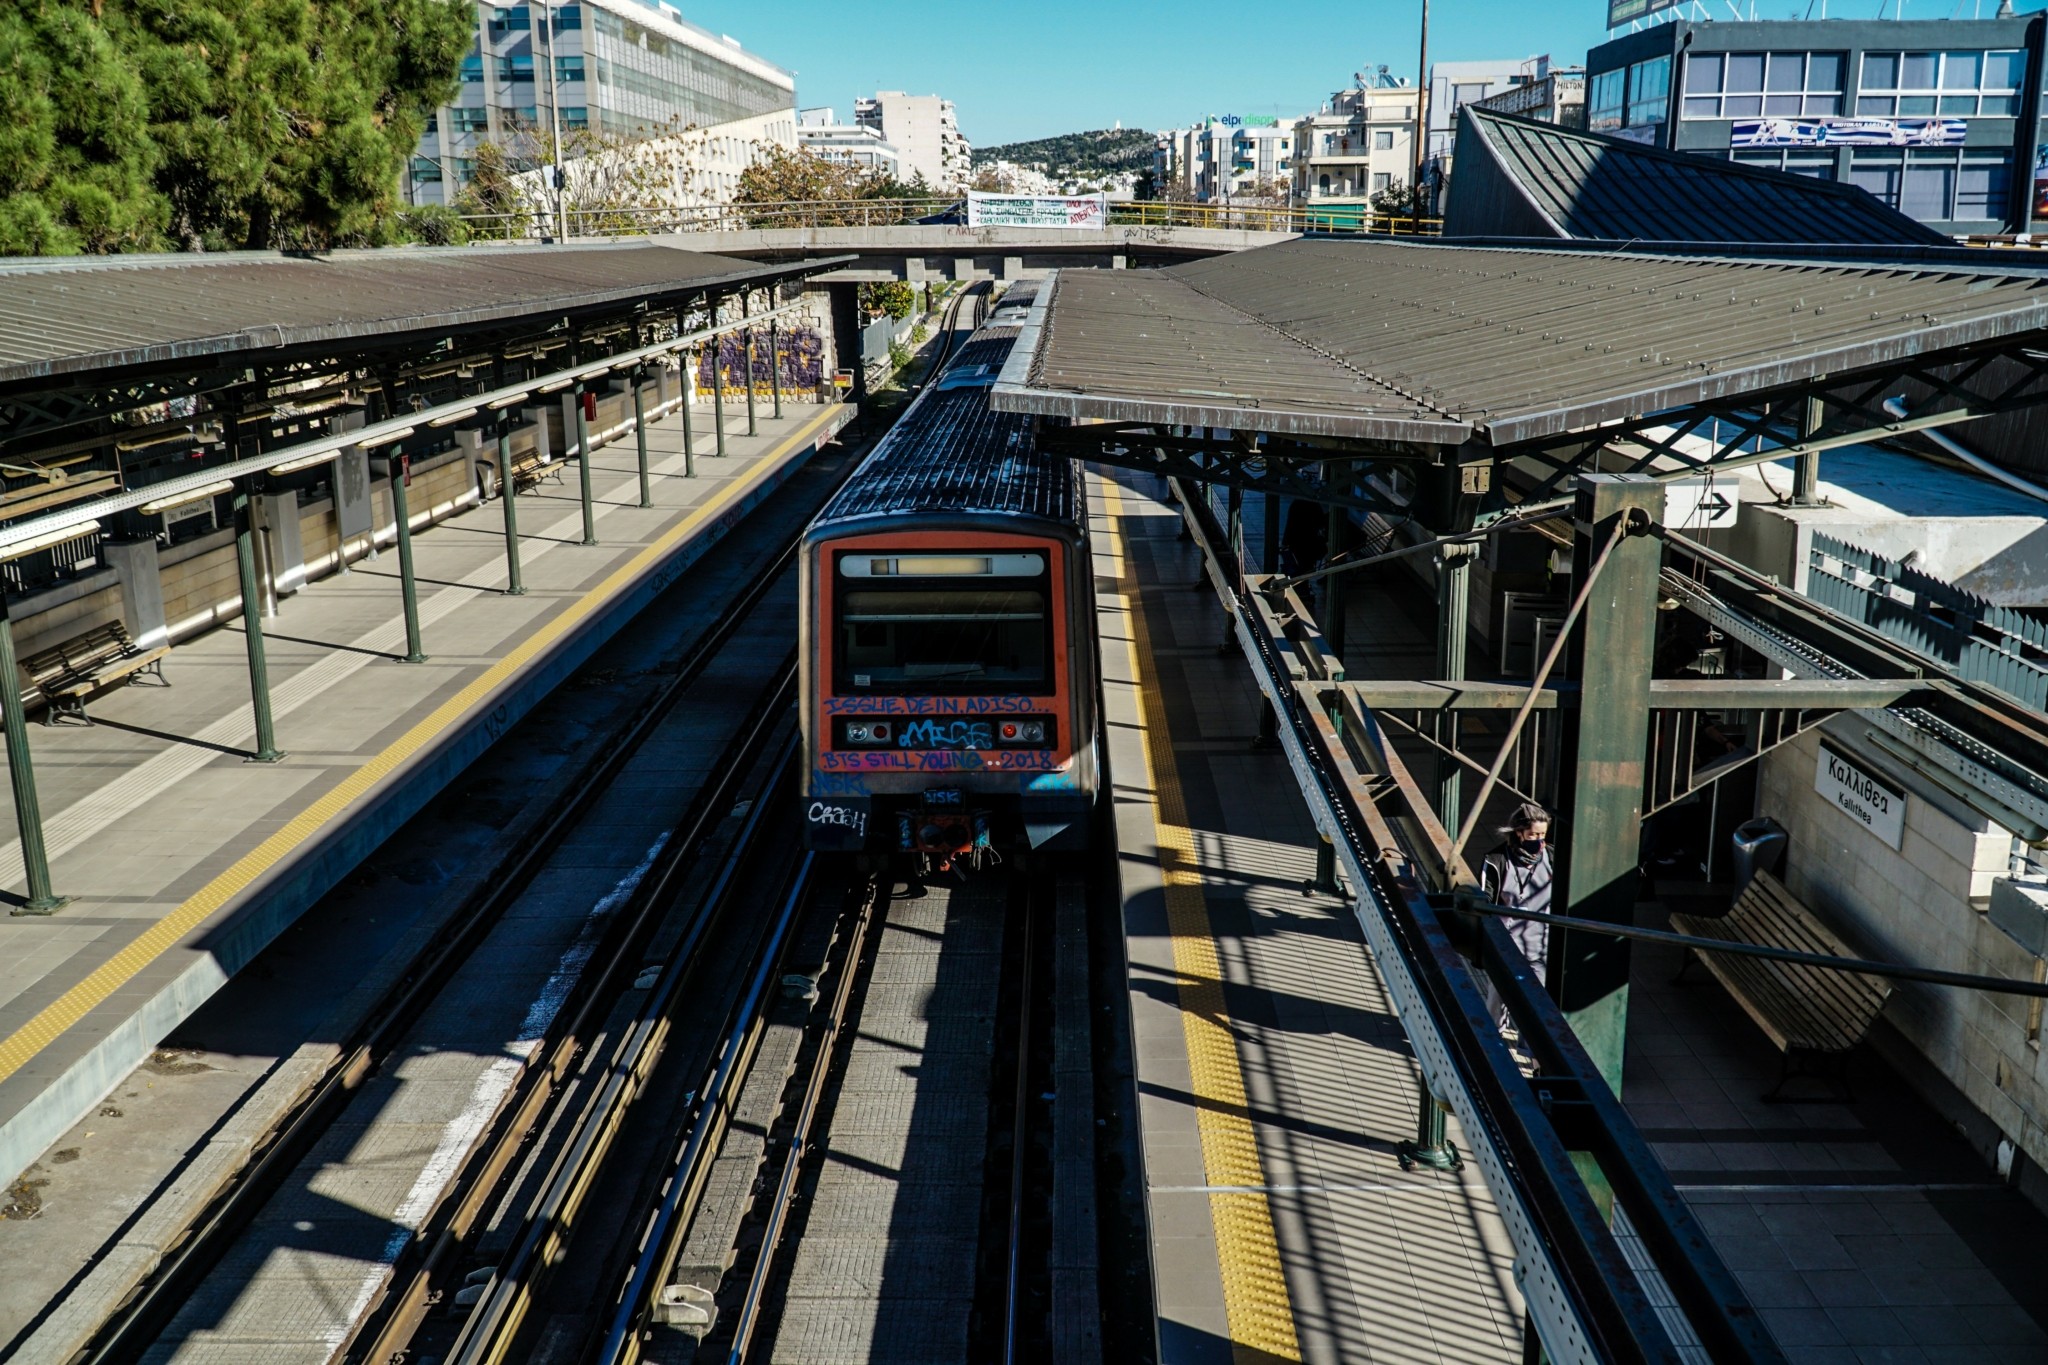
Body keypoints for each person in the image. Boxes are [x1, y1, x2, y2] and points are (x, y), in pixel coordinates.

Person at [1480, 803, 1554, 1027]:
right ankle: (1493, 1035)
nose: (1538, 840)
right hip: (1508, 940)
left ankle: (1533, 1053)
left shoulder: (1552, 856)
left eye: (1542, 834)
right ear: (1518, 832)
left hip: (1541, 942)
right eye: (1533, 834)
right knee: (1499, 994)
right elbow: (1487, 899)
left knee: (1537, 1001)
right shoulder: (1496, 859)